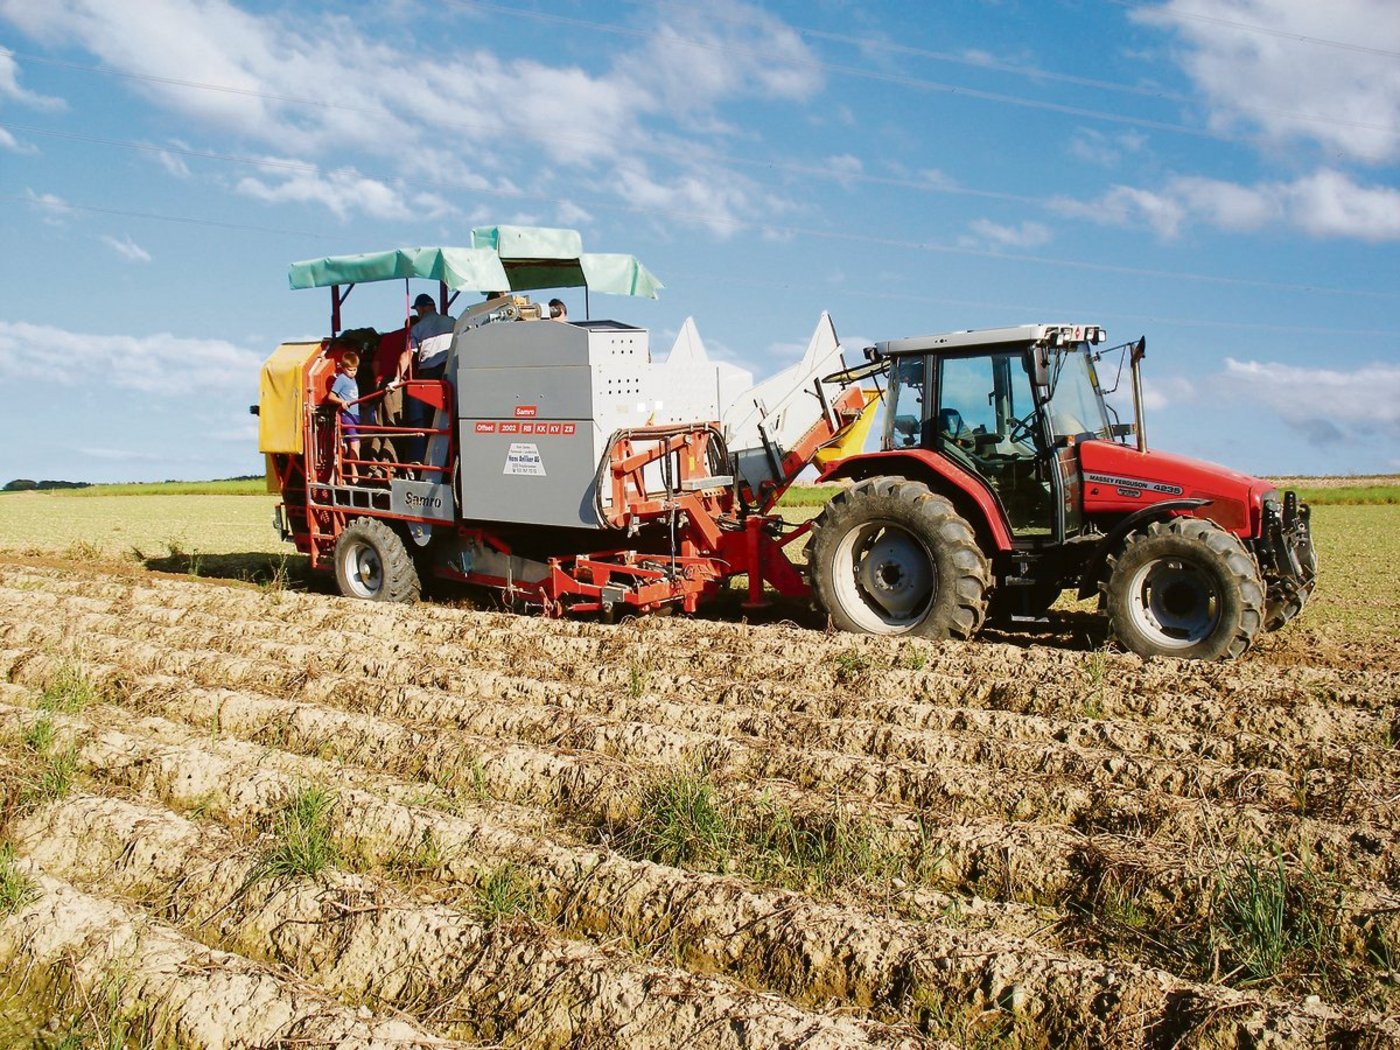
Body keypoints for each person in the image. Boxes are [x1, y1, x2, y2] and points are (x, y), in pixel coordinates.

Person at [326, 349, 362, 481]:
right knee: (355, 442)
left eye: (355, 369)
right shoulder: (342, 379)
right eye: (350, 369)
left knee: (352, 444)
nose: (352, 372)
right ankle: (354, 471)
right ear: (343, 368)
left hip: (355, 415)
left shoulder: (353, 380)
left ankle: (340, 473)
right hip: (347, 415)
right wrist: (343, 402)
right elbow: (331, 396)